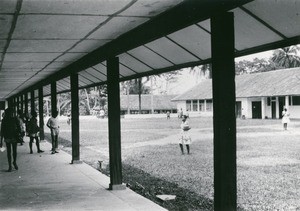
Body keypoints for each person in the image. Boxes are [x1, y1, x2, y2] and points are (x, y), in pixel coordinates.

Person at [0, 108, 20, 172]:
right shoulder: (5, 120)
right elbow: (2, 131)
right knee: (11, 151)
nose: (11, 114)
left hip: (12, 137)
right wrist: (1, 140)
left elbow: (19, 127)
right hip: (9, 137)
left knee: (12, 152)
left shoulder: (14, 119)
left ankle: (13, 163)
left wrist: (18, 133)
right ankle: (11, 165)